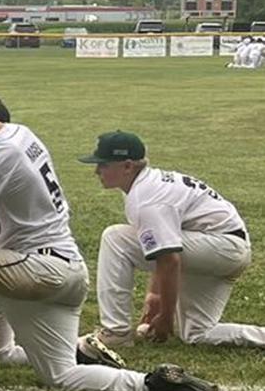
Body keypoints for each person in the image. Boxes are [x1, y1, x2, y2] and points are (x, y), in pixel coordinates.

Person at [0, 84, 220, 391]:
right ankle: (151, 384)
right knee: (59, 373)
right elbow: (1, 223)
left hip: (37, 269)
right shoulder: (21, 133)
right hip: (63, 270)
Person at [78, 130, 263, 350]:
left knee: (116, 238)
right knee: (197, 333)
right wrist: (154, 296)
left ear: (127, 166)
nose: (97, 171)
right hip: (219, 248)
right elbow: (161, 244)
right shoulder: (146, 185)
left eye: (104, 164)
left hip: (221, 247)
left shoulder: (148, 198)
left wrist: (165, 316)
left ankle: (115, 332)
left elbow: (169, 259)